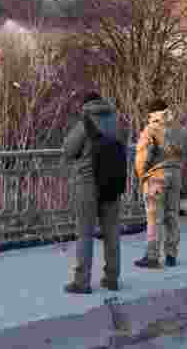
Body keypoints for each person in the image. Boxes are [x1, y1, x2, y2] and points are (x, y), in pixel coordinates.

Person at [61, 91, 122, 294]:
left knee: (85, 233)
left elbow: (69, 149)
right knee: (112, 231)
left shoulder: (86, 121)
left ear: (86, 105)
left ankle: (82, 281)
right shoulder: (115, 120)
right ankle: (112, 278)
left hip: (88, 183)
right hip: (112, 181)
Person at [134, 98, 187, 268]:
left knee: (154, 217)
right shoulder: (179, 129)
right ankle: (171, 255)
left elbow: (144, 156)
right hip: (176, 175)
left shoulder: (151, 129)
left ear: (152, 113)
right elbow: (184, 151)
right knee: (172, 215)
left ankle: (152, 256)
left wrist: (142, 175)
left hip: (157, 177)